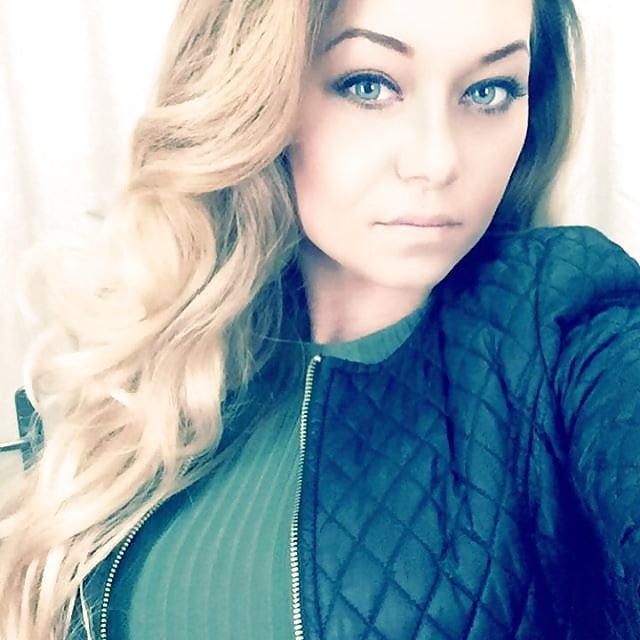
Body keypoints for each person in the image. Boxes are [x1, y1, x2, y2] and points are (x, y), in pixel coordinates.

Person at [1, 0, 639, 638]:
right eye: (369, 85)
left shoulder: (565, 316)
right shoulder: (142, 376)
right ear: (255, 94)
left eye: (488, 91)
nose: (438, 161)